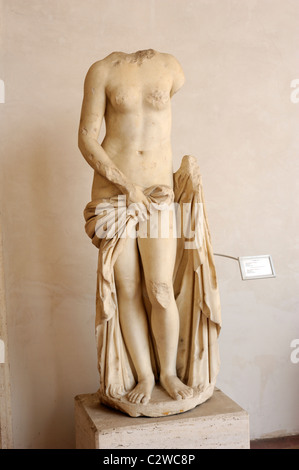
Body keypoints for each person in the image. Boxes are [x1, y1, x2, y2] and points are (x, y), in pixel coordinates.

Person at [78, 49, 221, 413]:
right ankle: (143, 374)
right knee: (127, 289)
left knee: (160, 288)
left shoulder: (171, 65)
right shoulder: (101, 71)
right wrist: (127, 186)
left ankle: (169, 373)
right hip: (114, 193)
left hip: (157, 193)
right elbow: (86, 138)